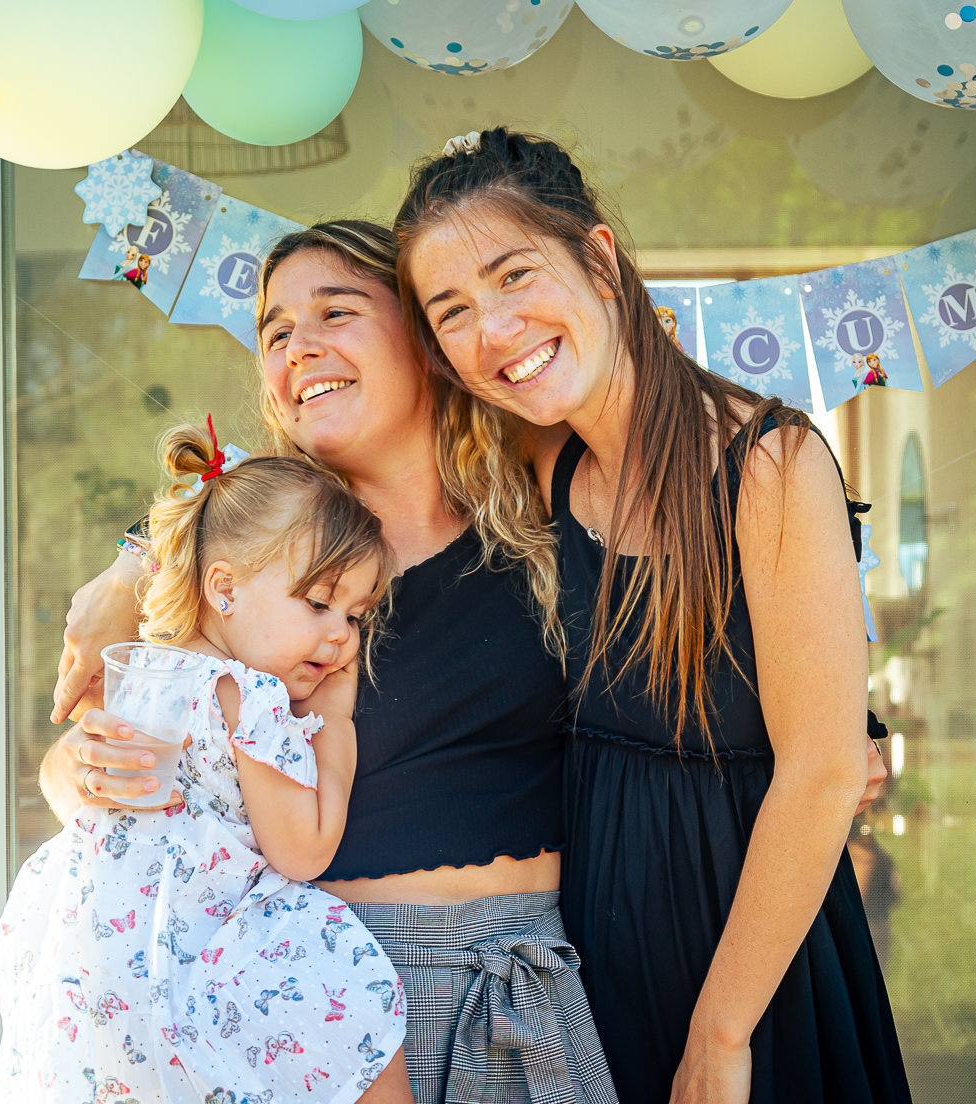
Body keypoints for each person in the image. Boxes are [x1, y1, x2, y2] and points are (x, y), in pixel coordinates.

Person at [42, 221, 623, 1104]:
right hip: (310, 1007)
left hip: (517, 995)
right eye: (275, 331)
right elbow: (103, 756)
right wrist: (89, 768)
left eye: (336, 312)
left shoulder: (540, 510)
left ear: (424, 341)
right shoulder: (250, 564)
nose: (298, 346)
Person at [393, 128, 912, 1104]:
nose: (493, 331)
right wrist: (146, 558)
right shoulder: (543, 462)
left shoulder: (769, 464)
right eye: (452, 310)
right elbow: (329, 476)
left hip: (748, 965)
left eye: (514, 275)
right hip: (590, 958)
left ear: (599, 261)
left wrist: (721, 1034)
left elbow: (825, 770)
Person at [0, 430, 413, 1103]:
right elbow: (302, 850)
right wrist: (335, 724)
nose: (340, 635)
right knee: (349, 996)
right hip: (194, 954)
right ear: (224, 587)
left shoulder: (141, 670)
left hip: (91, 952)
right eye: (318, 602)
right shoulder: (249, 697)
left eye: (356, 615)